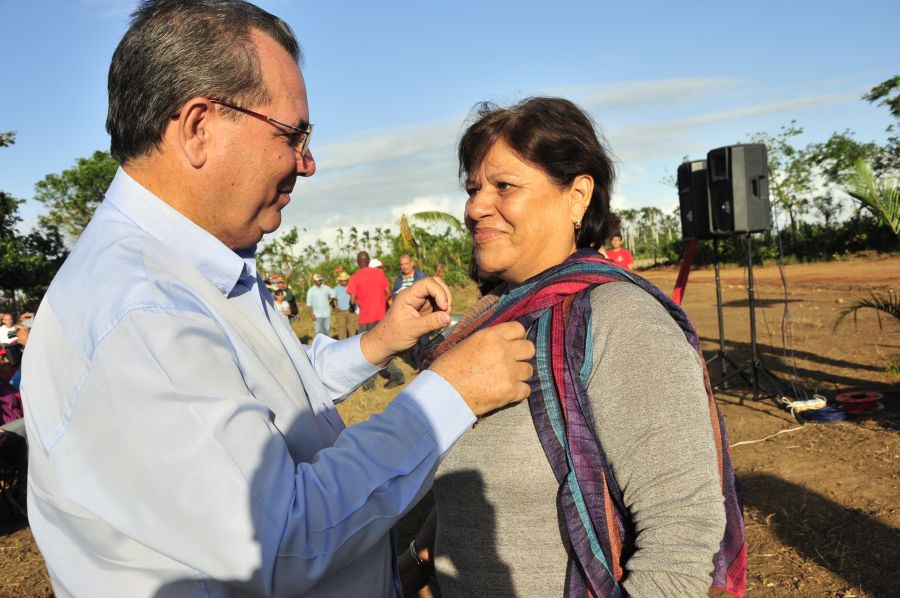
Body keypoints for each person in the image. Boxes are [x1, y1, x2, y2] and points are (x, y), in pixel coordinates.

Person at [21, 3, 536, 596]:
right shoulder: (141, 312)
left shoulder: (194, 270)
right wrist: (450, 393)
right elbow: (286, 538)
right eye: (292, 134)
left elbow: (271, 397)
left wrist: (376, 343)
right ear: (197, 128)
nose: (307, 163)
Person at [403, 97, 745, 597]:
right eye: (474, 188)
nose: (475, 206)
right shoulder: (493, 316)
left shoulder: (621, 320)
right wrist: (417, 557)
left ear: (577, 196)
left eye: (504, 186)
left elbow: (681, 533)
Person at [347, 251, 405, 390]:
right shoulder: (379, 274)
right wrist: (380, 303)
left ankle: (369, 384)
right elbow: (389, 292)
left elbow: (353, 299)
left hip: (365, 318)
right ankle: (396, 375)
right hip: (380, 316)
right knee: (383, 347)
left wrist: (351, 307)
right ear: (368, 260)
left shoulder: (355, 277)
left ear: (357, 262)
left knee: (365, 351)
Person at [332, 271, 356, 339]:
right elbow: (331, 300)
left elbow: (355, 297)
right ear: (340, 281)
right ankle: (342, 345)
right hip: (341, 312)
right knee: (341, 329)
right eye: (342, 280)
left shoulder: (351, 287)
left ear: (347, 280)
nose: (344, 282)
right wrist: (335, 307)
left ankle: (352, 343)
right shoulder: (336, 289)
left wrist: (354, 307)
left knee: (351, 328)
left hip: (350, 311)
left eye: (345, 280)